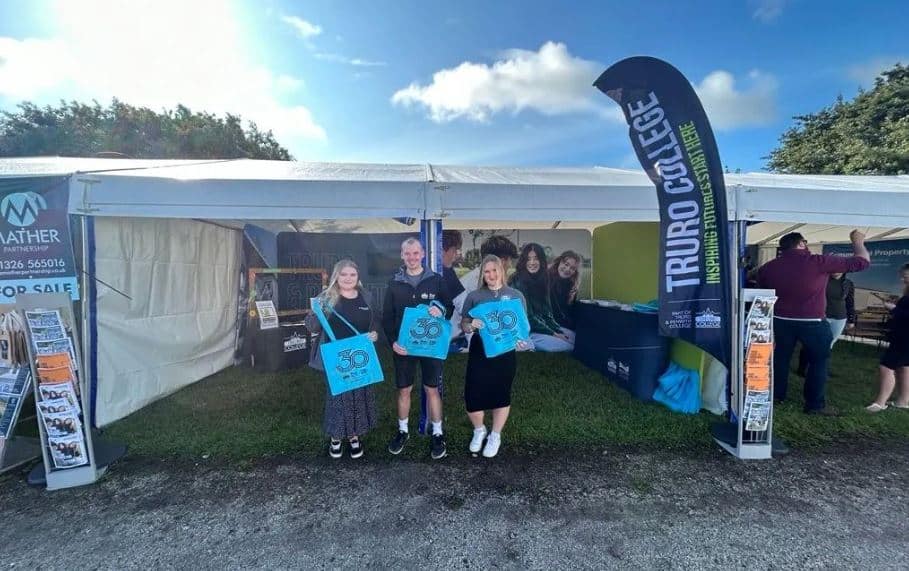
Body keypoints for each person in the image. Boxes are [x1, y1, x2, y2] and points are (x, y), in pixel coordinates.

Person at [757, 230, 870, 415]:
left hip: (780, 320)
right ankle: (814, 405)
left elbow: (760, 284)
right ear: (801, 243)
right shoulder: (817, 261)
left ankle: (776, 396)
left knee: (780, 360)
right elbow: (862, 262)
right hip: (813, 321)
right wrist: (857, 241)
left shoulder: (769, 267)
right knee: (818, 362)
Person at [382, 238, 453, 460]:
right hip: (404, 348)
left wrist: (440, 310)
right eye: (407, 254)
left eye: (415, 253)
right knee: (404, 389)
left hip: (430, 346)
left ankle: (438, 433)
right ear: (402, 256)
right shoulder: (394, 283)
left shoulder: (436, 280)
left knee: (431, 388)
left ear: (423, 254)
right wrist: (393, 342)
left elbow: (449, 307)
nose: (412, 258)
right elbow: (387, 317)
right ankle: (403, 431)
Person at [305, 259, 380, 459]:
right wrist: (316, 311)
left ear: (358, 277)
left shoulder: (367, 297)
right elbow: (311, 326)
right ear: (336, 276)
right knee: (338, 398)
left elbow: (373, 324)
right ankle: (336, 438)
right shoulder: (326, 297)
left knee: (358, 396)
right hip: (334, 357)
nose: (348, 278)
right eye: (344, 274)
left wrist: (374, 334)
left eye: (352, 275)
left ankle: (354, 436)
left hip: (359, 356)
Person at [461, 255, 531, 458]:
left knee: (501, 393)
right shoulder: (475, 296)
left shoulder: (516, 295)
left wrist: (520, 340)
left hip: (505, 352)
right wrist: (471, 325)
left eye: (494, 270)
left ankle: (495, 435)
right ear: (482, 274)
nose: (491, 275)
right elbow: (464, 324)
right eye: (487, 271)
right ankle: (479, 430)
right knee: (473, 396)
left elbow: (522, 326)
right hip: (480, 350)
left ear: (502, 270)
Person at [449, 235, 519, 343]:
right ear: (501, 261)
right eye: (509, 260)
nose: (509, 265)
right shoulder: (472, 284)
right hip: (462, 338)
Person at [508, 243, 574, 352]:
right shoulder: (518, 281)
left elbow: (547, 313)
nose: (532, 263)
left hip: (540, 326)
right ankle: (528, 346)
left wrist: (557, 330)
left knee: (574, 338)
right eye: (528, 259)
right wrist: (553, 334)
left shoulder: (543, 278)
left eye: (536, 259)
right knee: (568, 347)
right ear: (524, 261)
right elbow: (527, 318)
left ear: (542, 260)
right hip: (527, 331)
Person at [866, 263, 909, 412]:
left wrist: (895, 309)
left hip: (905, 338)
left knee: (886, 366)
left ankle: (880, 403)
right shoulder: (907, 291)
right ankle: (903, 401)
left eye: (906, 276)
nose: (903, 279)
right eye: (903, 276)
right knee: (904, 367)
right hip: (902, 335)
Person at [797, 272, 856, 377]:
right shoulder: (822, 280)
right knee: (811, 343)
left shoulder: (848, 283)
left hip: (840, 318)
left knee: (829, 344)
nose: (836, 271)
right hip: (821, 316)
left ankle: (822, 369)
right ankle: (802, 368)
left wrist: (851, 319)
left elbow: (850, 302)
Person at [548, 250, 581, 331]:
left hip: (562, 324)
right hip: (549, 324)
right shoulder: (547, 279)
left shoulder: (571, 287)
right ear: (559, 262)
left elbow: (570, 311)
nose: (567, 269)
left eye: (572, 268)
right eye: (566, 264)